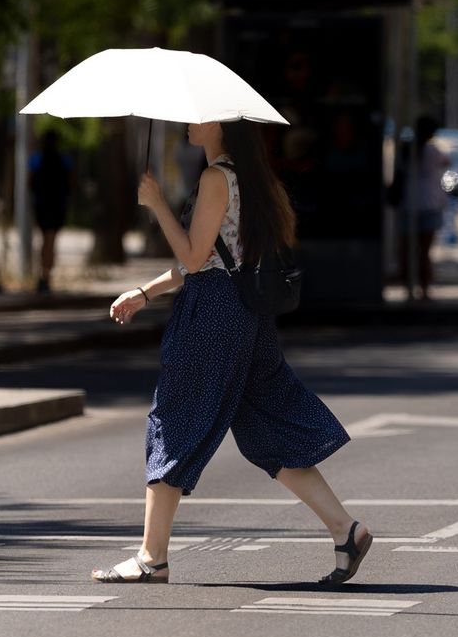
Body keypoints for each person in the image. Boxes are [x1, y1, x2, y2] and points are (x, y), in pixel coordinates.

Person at [94, 120, 372, 586]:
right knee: (265, 424)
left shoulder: (215, 178)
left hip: (213, 315)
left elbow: (198, 256)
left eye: (198, 117)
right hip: (243, 313)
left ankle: (151, 557)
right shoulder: (245, 176)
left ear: (220, 125)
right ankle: (346, 530)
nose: (188, 123)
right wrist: (145, 292)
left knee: (175, 417)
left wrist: (158, 204)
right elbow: (213, 260)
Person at [395, 116, 450, 300]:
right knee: (424, 252)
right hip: (430, 204)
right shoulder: (433, 151)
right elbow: (446, 162)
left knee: (407, 251)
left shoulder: (405, 150)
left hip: (409, 204)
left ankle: (408, 288)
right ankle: (424, 290)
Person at [29, 130, 75, 294]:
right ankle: (46, 275)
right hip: (58, 205)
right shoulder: (64, 160)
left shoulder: (36, 159)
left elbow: (30, 182)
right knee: (51, 240)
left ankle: (43, 275)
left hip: (42, 205)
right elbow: (71, 183)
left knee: (45, 241)